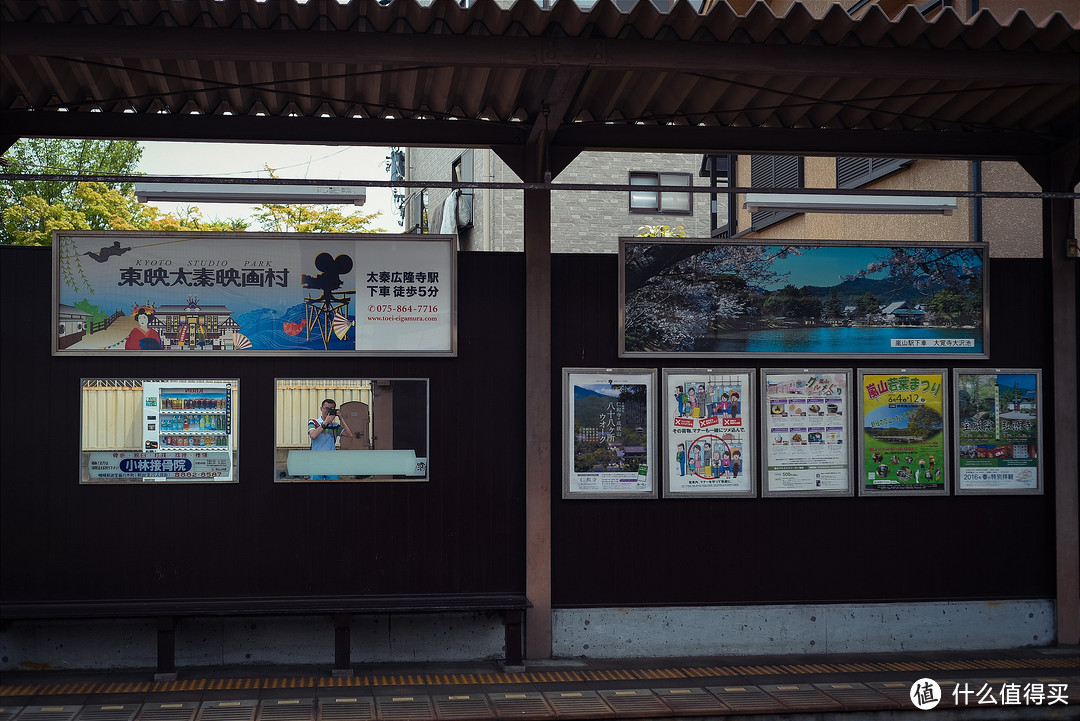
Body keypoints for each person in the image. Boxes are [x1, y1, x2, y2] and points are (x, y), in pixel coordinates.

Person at [307, 398, 357, 480]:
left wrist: (341, 418)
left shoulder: (335, 426)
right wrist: (326, 422)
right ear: (321, 409)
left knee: (333, 486)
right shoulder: (314, 422)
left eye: (331, 409)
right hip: (316, 460)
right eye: (326, 408)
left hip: (331, 461)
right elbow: (313, 435)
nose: (328, 411)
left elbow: (350, 435)